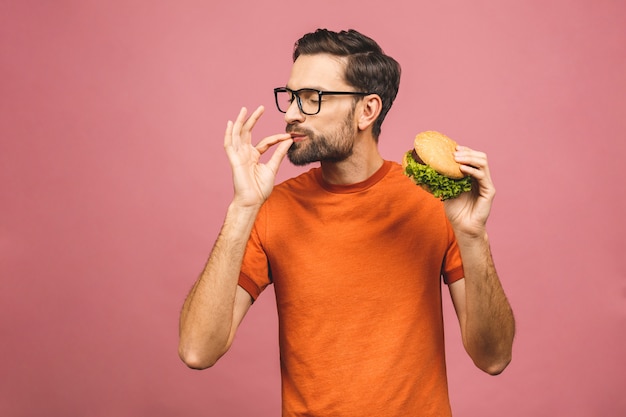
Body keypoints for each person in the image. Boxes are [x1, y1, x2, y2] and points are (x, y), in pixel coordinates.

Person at [178, 28, 515, 416]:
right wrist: (242, 208)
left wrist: (473, 236)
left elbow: (494, 358)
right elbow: (196, 350)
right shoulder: (271, 208)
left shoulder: (435, 203)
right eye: (290, 97)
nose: (290, 114)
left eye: (312, 99)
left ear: (367, 111)